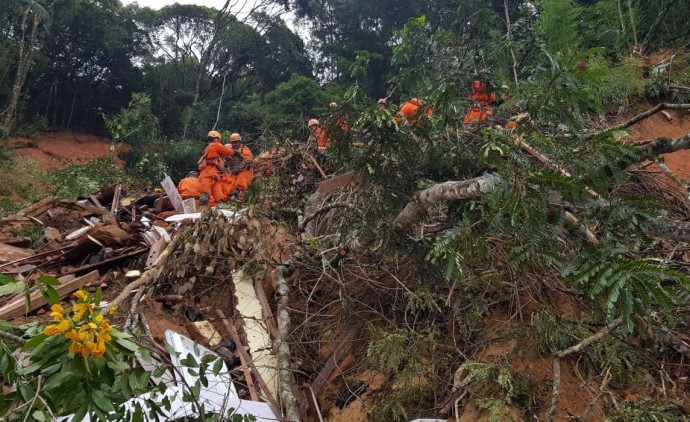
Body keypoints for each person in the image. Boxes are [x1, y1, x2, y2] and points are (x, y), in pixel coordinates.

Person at [197, 130, 238, 206]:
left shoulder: (210, 148)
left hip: (215, 177)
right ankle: (198, 214)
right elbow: (228, 151)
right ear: (216, 139)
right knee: (205, 196)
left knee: (219, 200)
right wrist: (236, 153)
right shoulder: (215, 145)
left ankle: (220, 213)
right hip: (208, 175)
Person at [222, 133, 254, 200]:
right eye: (233, 143)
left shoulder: (245, 150)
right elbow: (225, 164)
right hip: (234, 173)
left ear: (240, 142)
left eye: (236, 142)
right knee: (229, 191)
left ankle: (239, 194)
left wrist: (240, 156)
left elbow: (249, 161)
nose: (234, 144)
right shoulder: (231, 151)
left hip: (245, 171)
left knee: (239, 187)